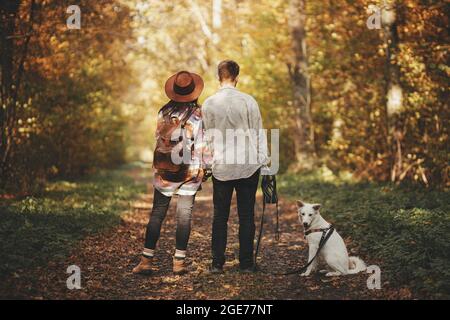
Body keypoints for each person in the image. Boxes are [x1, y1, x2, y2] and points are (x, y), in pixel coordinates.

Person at [133, 71, 208, 275]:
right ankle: (178, 263)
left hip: (165, 168)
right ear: (193, 92)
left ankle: (146, 261)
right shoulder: (198, 114)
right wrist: (206, 167)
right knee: (184, 216)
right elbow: (201, 144)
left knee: (158, 213)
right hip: (189, 170)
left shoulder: (163, 111)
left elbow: (159, 137)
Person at [202, 60, 269, 273]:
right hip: (247, 165)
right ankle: (247, 264)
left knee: (220, 216)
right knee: (247, 215)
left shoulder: (209, 103)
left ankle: (216, 264)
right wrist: (264, 162)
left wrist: (207, 164)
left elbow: (206, 139)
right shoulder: (248, 101)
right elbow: (259, 132)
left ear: (218, 78)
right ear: (237, 77)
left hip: (222, 166)